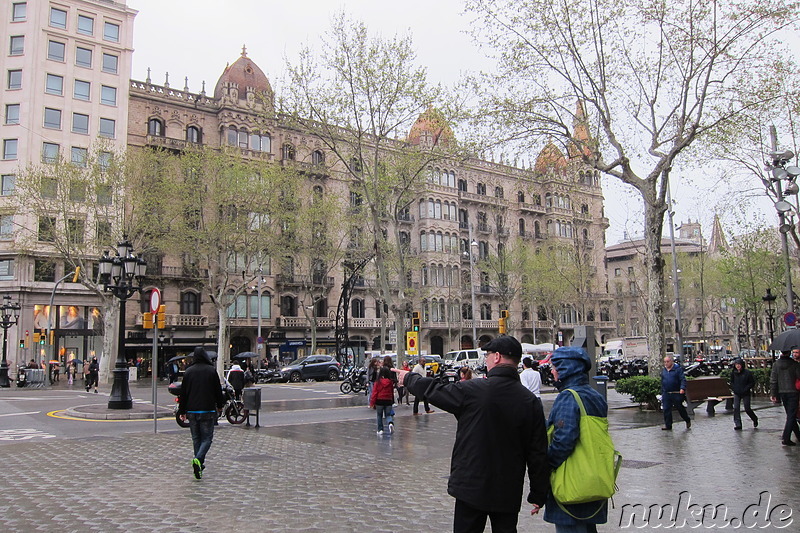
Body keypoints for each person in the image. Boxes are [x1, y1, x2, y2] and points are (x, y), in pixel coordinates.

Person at [397, 335, 549, 532]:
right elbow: (538, 452)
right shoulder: (529, 401)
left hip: (471, 485)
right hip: (507, 487)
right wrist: (538, 493)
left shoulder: (473, 390)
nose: (485, 359)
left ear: (497, 357)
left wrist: (409, 378)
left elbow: (436, 390)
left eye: (487, 355)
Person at [544, 346, 610, 532]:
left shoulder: (568, 397)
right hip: (594, 478)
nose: (552, 371)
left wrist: (547, 464)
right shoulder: (595, 396)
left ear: (566, 369)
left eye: (555, 366)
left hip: (573, 482)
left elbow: (563, 440)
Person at [178, 347, 225, 479]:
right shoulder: (211, 371)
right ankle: (198, 459)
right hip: (207, 409)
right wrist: (220, 405)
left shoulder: (188, 372)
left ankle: (198, 465)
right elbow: (217, 390)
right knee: (207, 438)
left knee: (196, 438)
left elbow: (184, 394)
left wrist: (182, 410)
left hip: (192, 410)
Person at [770, 350, 800, 446]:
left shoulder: (776, 364)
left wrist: (773, 394)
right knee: (791, 416)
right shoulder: (794, 364)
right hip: (793, 392)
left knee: (790, 415)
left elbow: (773, 380)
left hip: (782, 392)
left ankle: (798, 435)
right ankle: (786, 437)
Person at [660, 355, 691, 430]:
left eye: (668, 362)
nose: (666, 363)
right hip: (666, 393)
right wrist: (662, 391)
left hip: (676, 392)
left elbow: (682, 379)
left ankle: (687, 419)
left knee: (680, 408)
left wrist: (682, 388)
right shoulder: (664, 370)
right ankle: (668, 425)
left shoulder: (677, 369)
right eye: (665, 362)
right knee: (666, 409)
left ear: (671, 361)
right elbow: (662, 381)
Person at [730, 357, 758, 430]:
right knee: (736, 408)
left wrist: (746, 389)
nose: (738, 366)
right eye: (736, 364)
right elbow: (731, 382)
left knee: (747, 408)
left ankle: (754, 419)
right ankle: (738, 423)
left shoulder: (747, 373)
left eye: (739, 364)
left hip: (745, 393)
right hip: (737, 393)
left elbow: (752, 383)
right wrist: (734, 389)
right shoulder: (733, 373)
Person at [370, 364, 396, 435]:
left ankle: (380, 430)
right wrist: (392, 401)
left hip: (379, 400)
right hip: (388, 400)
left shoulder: (378, 382)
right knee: (388, 415)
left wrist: (372, 403)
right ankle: (390, 423)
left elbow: (374, 393)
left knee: (379, 415)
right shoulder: (390, 382)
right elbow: (391, 392)